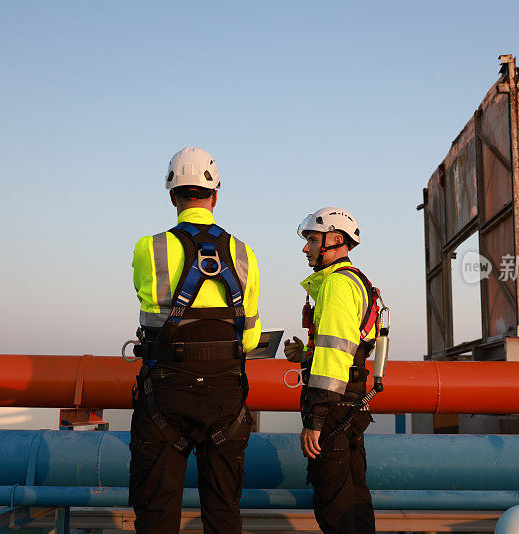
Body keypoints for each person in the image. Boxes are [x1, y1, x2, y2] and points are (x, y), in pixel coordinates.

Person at [129, 147, 261, 534]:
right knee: (223, 515)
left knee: (156, 515)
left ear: (173, 196)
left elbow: (149, 307)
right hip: (225, 396)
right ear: (215, 196)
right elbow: (249, 338)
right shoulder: (244, 253)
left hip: (165, 393)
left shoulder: (148, 248)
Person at [283, 207, 379, 534]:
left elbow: (334, 359)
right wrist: (305, 354)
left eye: (312, 239)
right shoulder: (355, 282)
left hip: (334, 409)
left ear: (335, 240)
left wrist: (315, 419)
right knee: (354, 498)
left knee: (334, 506)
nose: (305, 247)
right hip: (351, 404)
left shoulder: (337, 285)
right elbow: (347, 349)